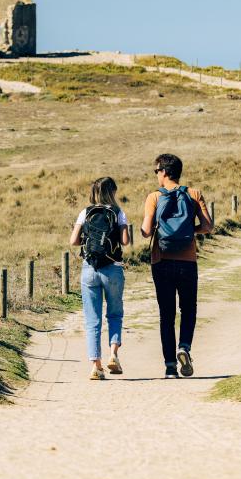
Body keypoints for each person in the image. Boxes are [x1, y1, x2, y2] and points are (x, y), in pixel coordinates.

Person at [141, 154, 213, 379]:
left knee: (166, 314)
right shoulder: (194, 194)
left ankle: (170, 366)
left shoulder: (154, 197)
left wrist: (156, 230)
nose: (156, 175)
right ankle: (184, 347)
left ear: (163, 171)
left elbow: (145, 230)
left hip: (161, 261)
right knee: (189, 308)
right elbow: (208, 226)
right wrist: (188, 231)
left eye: (156, 171)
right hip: (187, 261)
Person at [70, 177, 130, 380]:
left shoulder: (85, 212)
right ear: (112, 192)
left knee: (92, 320)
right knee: (114, 314)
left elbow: (74, 241)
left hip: (89, 268)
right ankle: (114, 354)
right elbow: (125, 241)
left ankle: (96, 365)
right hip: (112, 268)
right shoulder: (118, 212)